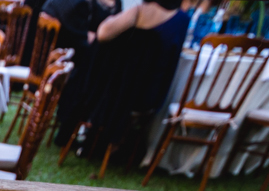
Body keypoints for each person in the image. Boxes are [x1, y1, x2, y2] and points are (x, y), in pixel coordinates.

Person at [63, 0, 190, 161]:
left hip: (113, 93)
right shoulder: (183, 20)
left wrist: (111, 19)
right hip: (148, 95)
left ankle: (93, 133)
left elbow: (103, 34)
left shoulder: (139, 11)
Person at [45, 0, 119, 147]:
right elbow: (81, 39)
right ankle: (75, 130)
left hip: (76, 58)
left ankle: (87, 131)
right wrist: (88, 36)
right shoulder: (77, 5)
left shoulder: (114, 4)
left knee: (98, 72)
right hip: (67, 63)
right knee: (95, 76)